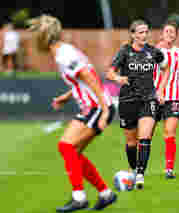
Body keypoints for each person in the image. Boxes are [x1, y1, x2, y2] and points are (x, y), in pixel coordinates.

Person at [27, 15, 117, 212]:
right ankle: (105, 194)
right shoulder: (63, 52)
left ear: (43, 37)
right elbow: (82, 79)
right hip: (92, 107)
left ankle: (79, 197)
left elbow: (91, 78)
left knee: (66, 147)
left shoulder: (64, 55)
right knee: (72, 151)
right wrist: (67, 96)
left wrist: (105, 110)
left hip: (96, 107)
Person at [106, 19, 170, 190]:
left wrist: (160, 90)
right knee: (131, 142)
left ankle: (140, 174)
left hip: (148, 99)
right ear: (133, 34)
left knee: (145, 137)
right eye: (140, 32)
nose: (144, 35)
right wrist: (118, 78)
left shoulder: (153, 52)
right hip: (127, 101)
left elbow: (166, 68)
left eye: (146, 32)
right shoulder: (124, 51)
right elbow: (109, 73)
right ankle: (134, 170)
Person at [154, 20, 179, 179]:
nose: (170, 34)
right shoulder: (154, 51)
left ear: (176, 35)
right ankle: (137, 169)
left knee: (170, 133)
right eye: (167, 31)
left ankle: (169, 169)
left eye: (172, 32)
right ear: (162, 33)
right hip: (155, 97)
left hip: (174, 97)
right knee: (146, 134)